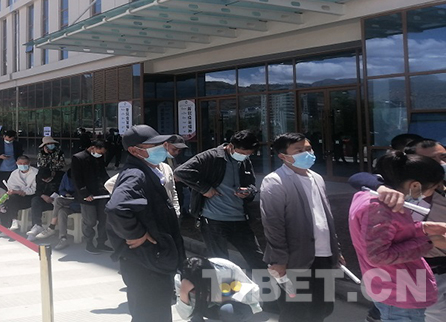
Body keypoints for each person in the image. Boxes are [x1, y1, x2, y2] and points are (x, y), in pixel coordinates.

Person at [349, 152, 446, 322]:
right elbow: (378, 255)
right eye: (433, 188)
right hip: (399, 292)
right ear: (415, 185)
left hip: (396, 288)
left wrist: (424, 228)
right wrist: (430, 241)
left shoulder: (374, 198)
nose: (433, 193)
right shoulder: (379, 208)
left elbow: (392, 233)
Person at [106, 124, 184, 322]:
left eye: (162, 144)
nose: (162, 148)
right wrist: (136, 233)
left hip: (151, 261)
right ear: (135, 151)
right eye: (154, 145)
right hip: (146, 263)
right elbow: (117, 207)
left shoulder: (148, 170)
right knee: (151, 315)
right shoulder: (136, 174)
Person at [260, 132, 342, 321]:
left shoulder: (317, 178)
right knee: (296, 311)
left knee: (322, 308)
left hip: (323, 255)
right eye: (298, 150)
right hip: (295, 259)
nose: (307, 153)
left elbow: (325, 217)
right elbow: (273, 224)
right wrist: (279, 259)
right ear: (283, 156)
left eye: (308, 149)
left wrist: (335, 248)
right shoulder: (275, 181)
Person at [174, 130, 264, 271]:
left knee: (257, 259)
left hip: (240, 219)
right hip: (214, 221)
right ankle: (223, 286)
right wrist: (205, 188)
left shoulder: (245, 161)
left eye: (248, 154)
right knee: (220, 264)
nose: (245, 156)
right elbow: (181, 172)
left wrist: (249, 191)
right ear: (231, 146)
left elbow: (252, 184)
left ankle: (265, 285)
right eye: (242, 153)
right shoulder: (211, 157)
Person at [175, 255, 262, 322]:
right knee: (194, 305)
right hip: (210, 307)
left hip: (237, 306)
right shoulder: (181, 279)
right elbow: (185, 316)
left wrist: (224, 298)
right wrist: (183, 293)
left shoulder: (225, 269)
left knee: (227, 310)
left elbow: (253, 293)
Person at [71, 139, 112, 254]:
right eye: (100, 152)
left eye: (103, 153)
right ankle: (89, 243)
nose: (101, 155)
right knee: (89, 221)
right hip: (87, 195)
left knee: (104, 219)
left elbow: (103, 174)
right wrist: (85, 193)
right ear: (93, 148)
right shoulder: (78, 158)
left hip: (101, 193)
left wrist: (110, 185)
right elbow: (77, 179)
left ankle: (101, 242)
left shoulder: (99, 158)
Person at [35, 169, 81, 250]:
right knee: (61, 211)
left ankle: (52, 226)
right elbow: (61, 189)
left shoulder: (83, 176)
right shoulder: (66, 176)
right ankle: (63, 238)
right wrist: (66, 194)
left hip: (80, 203)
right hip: (68, 201)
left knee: (58, 201)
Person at [27, 166, 63, 240]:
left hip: (58, 201)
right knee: (35, 200)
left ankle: (50, 228)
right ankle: (36, 226)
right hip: (45, 199)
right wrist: (43, 196)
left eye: (48, 179)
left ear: (52, 174)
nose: (46, 181)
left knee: (59, 202)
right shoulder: (39, 177)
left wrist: (54, 197)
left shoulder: (61, 176)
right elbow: (38, 191)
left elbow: (63, 190)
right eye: (44, 180)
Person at [5, 155, 38, 231]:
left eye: (25, 163)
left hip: (31, 197)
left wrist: (22, 191)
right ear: (16, 163)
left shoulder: (35, 173)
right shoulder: (14, 173)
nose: (22, 165)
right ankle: (13, 221)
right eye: (20, 163)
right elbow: (11, 186)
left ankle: (35, 227)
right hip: (17, 196)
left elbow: (35, 189)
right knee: (8, 201)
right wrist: (16, 191)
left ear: (29, 163)